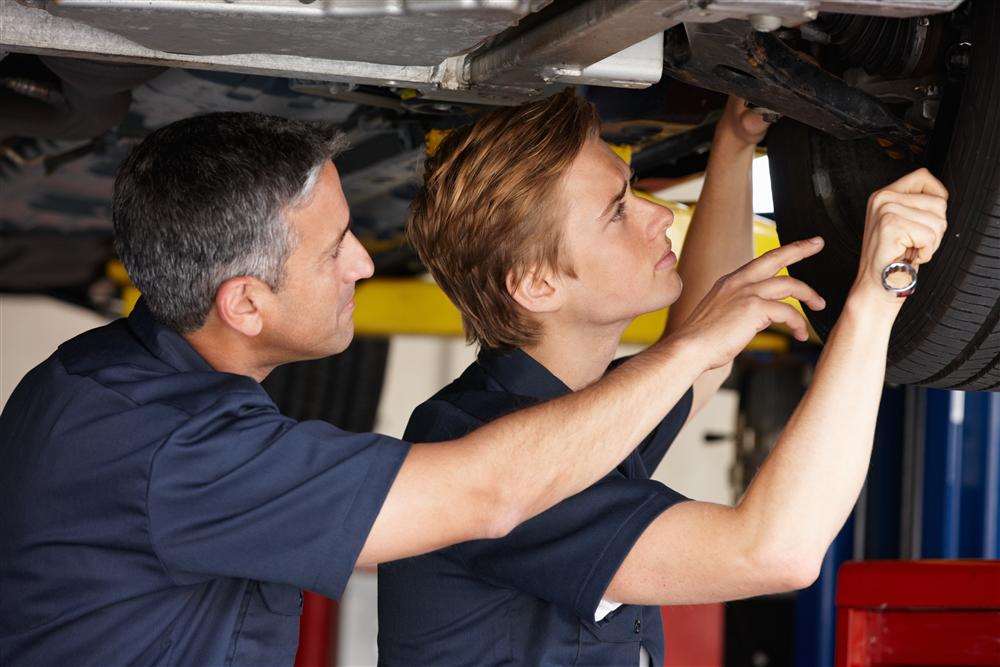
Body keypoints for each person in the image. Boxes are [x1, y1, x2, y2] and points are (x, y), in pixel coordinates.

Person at [0, 108, 830, 666]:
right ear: (245, 302)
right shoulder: (183, 449)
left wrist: (730, 144)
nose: (365, 261)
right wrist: (871, 295)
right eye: (334, 252)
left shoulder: (105, 385)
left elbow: (685, 353)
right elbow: (493, 489)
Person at [378, 91, 949, 666]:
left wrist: (733, 143)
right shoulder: (487, 452)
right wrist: (879, 294)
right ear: (538, 284)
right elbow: (774, 552)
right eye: (617, 209)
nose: (657, 214)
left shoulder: (580, 410)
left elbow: (701, 355)